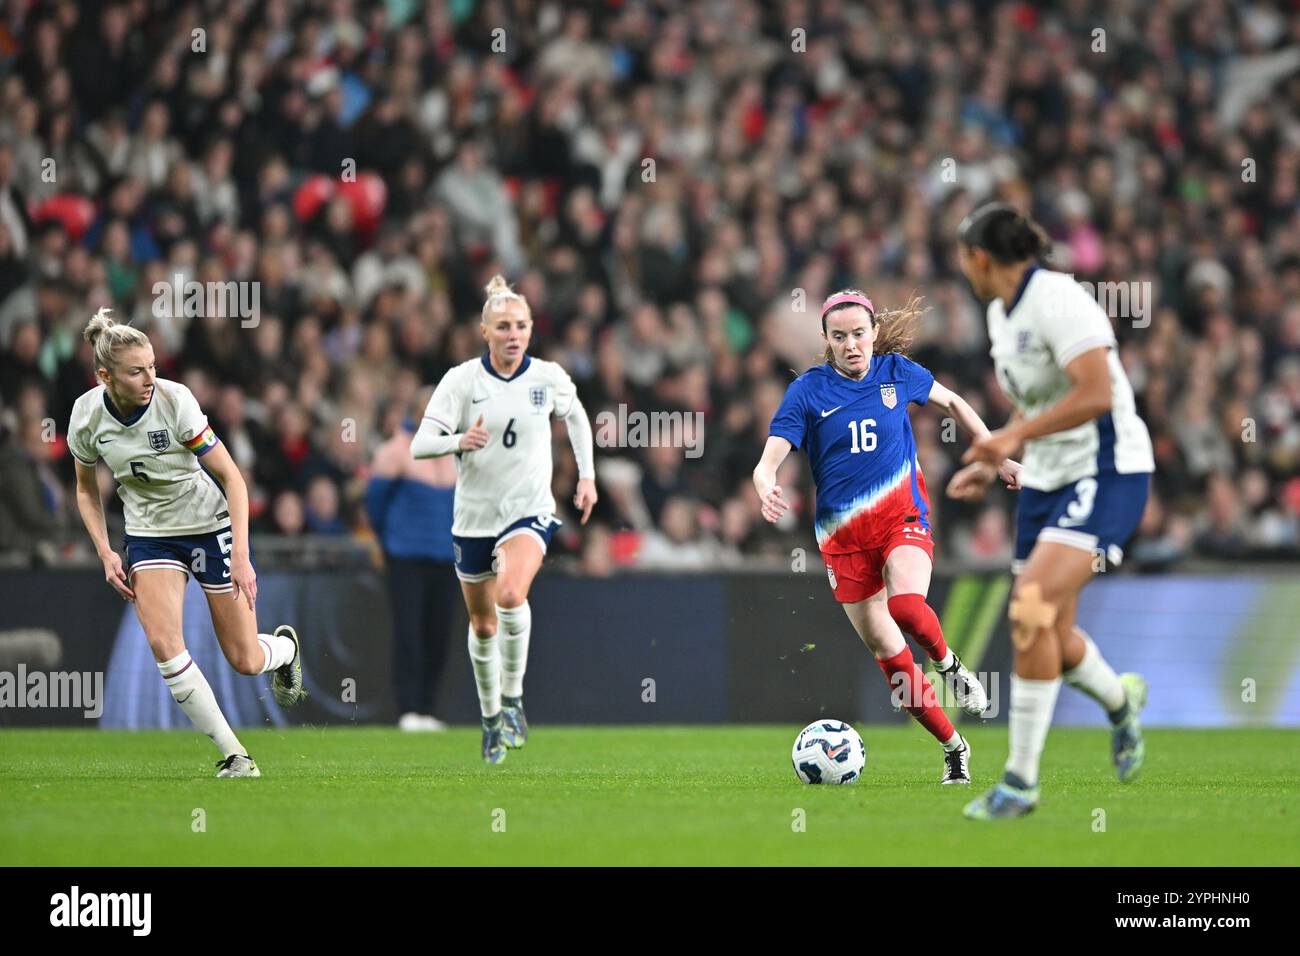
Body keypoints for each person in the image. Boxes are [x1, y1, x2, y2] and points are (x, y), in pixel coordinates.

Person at [754, 289, 1019, 784]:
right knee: (890, 657)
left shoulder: (896, 372)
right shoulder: (809, 391)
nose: (851, 345)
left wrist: (996, 456)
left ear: (874, 333)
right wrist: (766, 482)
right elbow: (770, 456)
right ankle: (954, 746)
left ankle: (950, 666)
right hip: (843, 542)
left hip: (903, 519)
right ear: (827, 341)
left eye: (859, 334)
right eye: (840, 337)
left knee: (905, 607)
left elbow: (955, 403)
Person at [950, 202, 1154, 820]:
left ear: (981, 258)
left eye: (964, 257)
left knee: (1030, 607)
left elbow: (1096, 393)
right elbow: (1035, 401)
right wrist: (997, 457)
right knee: (1048, 632)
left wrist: (1011, 439)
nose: (963, 268)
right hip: (1044, 480)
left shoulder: (1060, 302)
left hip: (1106, 470)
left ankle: (1019, 782)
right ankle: (1120, 701)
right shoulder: (999, 314)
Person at [68, 308, 305, 778]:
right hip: (149, 536)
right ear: (104, 377)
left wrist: (241, 554)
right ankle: (236, 754)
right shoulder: (86, 415)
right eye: (137, 371)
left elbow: (233, 478)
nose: (149, 377)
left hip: (205, 525)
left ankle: (285, 652)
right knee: (163, 643)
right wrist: (105, 550)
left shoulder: (177, 401)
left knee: (244, 658)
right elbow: (84, 487)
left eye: (153, 365)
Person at [411, 276, 597, 763]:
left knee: (512, 594)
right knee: (483, 623)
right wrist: (458, 441)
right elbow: (420, 445)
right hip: (473, 518)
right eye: (503, 327)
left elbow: (576, 416)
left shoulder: (548, 378)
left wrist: (586, 477)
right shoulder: (461, 381)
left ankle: (512, 699)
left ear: (531, 330)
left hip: (528, 510)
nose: (513, 335)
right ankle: (491, 715)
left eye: (521, 326)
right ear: (484, 332)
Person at [366, 393, 458, 731]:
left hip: (445, 557)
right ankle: (408, 708)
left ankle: (428, 707)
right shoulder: (396, 451)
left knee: (438, 634)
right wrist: (390, 541)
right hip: (406, 557)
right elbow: (375, 503)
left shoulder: (452, 452)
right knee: (409, 632)